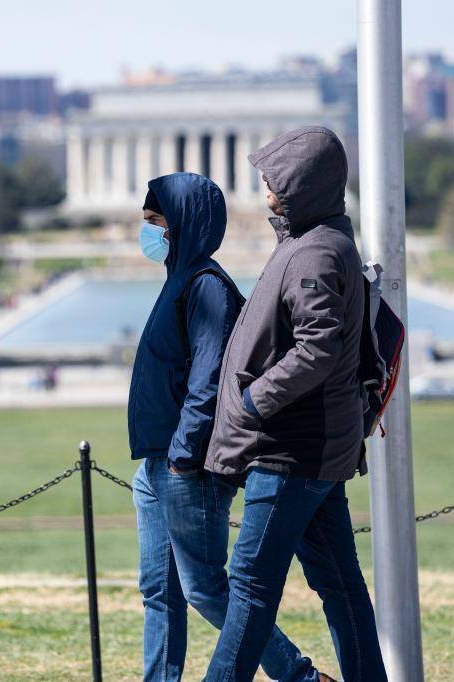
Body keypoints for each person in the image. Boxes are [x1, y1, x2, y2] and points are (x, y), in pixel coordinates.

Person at [128, 172, 330, 681]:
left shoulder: (206, 289)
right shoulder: (178, 280)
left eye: (156, 223)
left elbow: (209, 380)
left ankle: (300, 677)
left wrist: (180, 456)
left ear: (182, 226)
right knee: (160, 591)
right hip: (157, 465)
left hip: (187, 468)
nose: (148, 233)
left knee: (206, 589)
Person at [204, 127, 387, 681]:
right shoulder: (317, 241)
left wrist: (256, 401)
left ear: (302, 186)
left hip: (291, 451)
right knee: (341, 589)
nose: (265, 194)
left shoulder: (315, 253)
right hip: (316, 449)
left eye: (273, 183)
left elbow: (318, 348)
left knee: (251, 589)